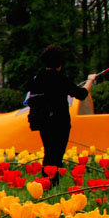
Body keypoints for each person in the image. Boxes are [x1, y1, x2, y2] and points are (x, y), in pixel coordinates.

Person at [26, 44, 96, 176]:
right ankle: (51, 184)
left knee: (49, 153)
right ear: (60, 63)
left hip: (42, 122)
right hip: (59, 122)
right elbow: (81, 94)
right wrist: (90, 80)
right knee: (56, 156)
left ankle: (46, 184)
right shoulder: (59, 78)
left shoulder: (37, 78)